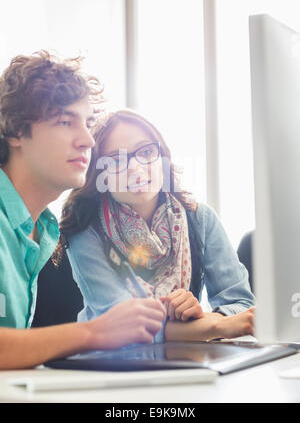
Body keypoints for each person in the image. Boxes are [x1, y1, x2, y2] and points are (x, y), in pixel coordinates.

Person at [0, 53, 166, 370]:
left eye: (88, 123)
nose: (88, 140)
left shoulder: (42, 229)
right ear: (15, 131)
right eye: (65, 121)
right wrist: (93, 331)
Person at [57, 109, 256, 344]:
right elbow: (124, 328)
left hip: (189, 360)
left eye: (146, 151)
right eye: (116, 160)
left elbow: (241, 305)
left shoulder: (200, 218)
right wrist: (217, 325)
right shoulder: (85, 229)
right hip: (107, 364)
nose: (136, 169)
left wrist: (203, 316)